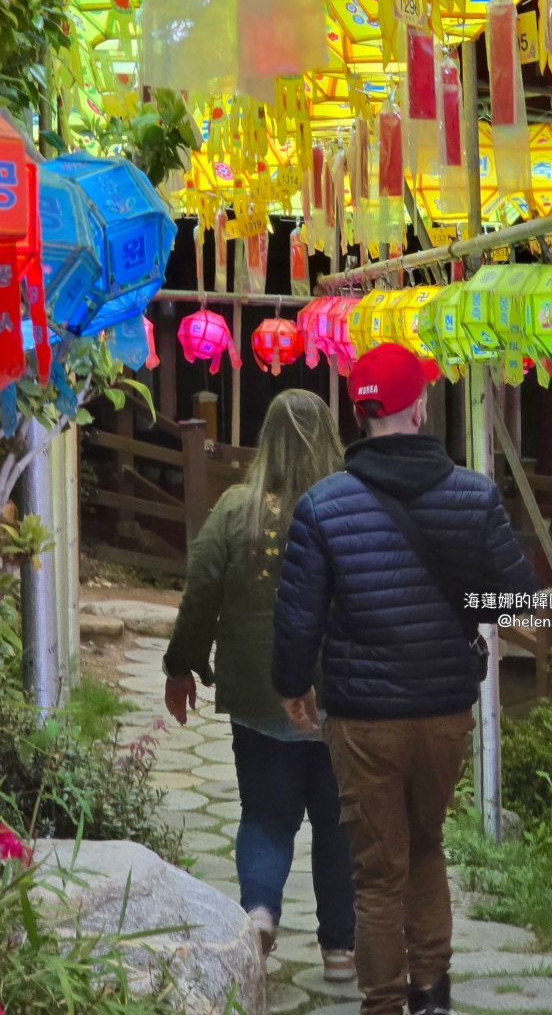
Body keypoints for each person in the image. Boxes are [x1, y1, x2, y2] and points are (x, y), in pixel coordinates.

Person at [272, 342, 539, 1015]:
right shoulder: (475, 496)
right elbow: (519, 600)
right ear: (420, 408)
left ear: (361, 417)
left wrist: (293, 684)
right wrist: (463, 609)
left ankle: (384, 1003)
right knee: (426, 847)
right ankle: (433, 994)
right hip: (446, 709)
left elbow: (299, 618)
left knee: (377, 872)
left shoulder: (322, 505)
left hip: (364, 717)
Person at [163, 389, 356, 980]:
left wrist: (182, 665)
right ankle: (341, 950)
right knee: (338, 824)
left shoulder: (236, 509)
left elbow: (201, 590)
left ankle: (261, 913)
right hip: (340, 695)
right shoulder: (350, 506)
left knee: (266, 815)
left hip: (259, 693)